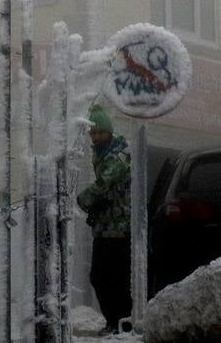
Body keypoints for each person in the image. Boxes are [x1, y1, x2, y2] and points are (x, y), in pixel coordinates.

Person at [76, 102, 132, 335]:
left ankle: (120, 323)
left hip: (118, 229)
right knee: (102, 277)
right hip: (105, 228)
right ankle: (116, 322)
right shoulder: (103, 154)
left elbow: (103, 185)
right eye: (94, 132)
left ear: (109, 132)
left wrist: (83, 198)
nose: (97, 137)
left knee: (109, 277)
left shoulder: (116, 157)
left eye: (101, 132)